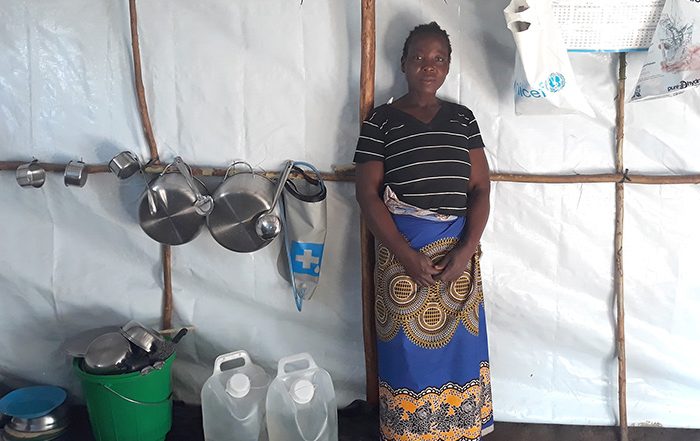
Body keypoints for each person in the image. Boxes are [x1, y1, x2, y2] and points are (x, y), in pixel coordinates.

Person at [354, 22, 493, 440]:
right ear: (403, 63)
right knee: (406, 353)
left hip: (458, 254)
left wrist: (467, 249)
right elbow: (367, 195)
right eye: (418, 57)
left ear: (448, 66)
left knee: (460, 353)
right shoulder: (381, 121)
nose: (428, 67)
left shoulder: (462, 118)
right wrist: (404, 254)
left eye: (438, 59)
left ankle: (459, 430)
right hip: (401, 255)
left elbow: (481, 187)